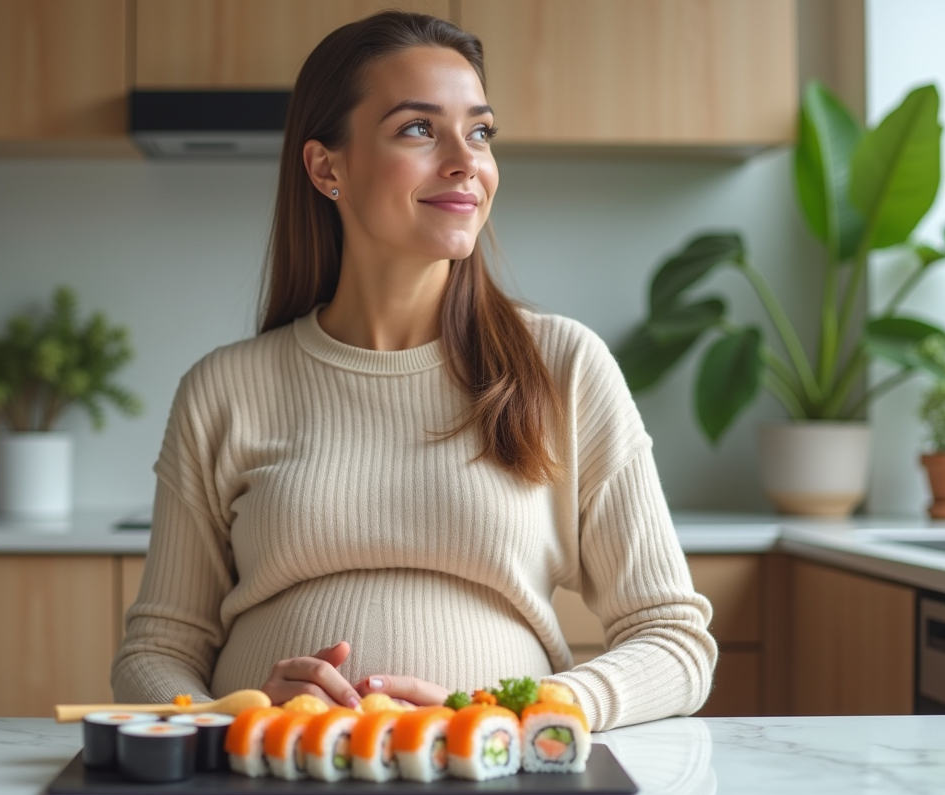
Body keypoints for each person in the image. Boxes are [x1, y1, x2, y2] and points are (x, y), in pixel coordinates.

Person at [112, 10, 716, 732]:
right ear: (325, 166)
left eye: (481, 131)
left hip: (492, 774)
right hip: (274, 775)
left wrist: (511, 714)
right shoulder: (224, 389)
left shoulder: (562, 366)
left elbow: (675, 643)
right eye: (419, 129)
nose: (467, 160)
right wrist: (228, 717)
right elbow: (156, 651)